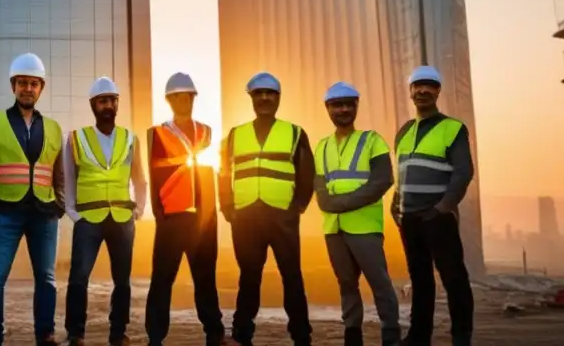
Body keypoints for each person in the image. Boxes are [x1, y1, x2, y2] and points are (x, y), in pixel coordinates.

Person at [0, 52, 64, 346]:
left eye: (33, 83)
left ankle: (45, 334)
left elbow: (58, 172)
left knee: (47, 279)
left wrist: (59, 204)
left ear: (41, 88)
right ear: (13, 86)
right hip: (6, 212)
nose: (28, 88)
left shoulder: (53, 128)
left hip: (44, 212)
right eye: (22, 83)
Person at [219, 71, 314, 346]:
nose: (264, 98)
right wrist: (228, 206)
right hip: (246, 217)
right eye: (258, 94)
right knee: (249, 276)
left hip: (282, 215)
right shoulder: (236, 135)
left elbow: (306, 173)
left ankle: (301, 335)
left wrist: (297, 206)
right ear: (251, 98)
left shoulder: (295, 132)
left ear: (278, 98)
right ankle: (241, 334)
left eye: (270, 93)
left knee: (292, 276)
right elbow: (224, 172)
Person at [392, 65, 475, 346]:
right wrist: (396, 206)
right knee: (420, 280)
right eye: (417, 86)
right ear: (411, 91)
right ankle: (418, 337)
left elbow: (463, 172)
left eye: (429, 86)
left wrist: (443, 208)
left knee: (453, 279)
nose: (422, 90)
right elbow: (401, 172)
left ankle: (461, 337)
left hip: (438, 218)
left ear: (438, 91)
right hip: (409, 219)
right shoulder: (403, 131)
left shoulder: (452, 128)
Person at [63, 77, 148, 346]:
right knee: (79, 278)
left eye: (112, 100)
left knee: (122, 281)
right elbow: (67, 180)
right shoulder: (77, 139)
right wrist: (74, 213)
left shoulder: (130, 138)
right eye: (103, 101)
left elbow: (139, 179)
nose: (108, 106)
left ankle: (118, 333)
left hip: (123, 219)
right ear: (93, 105)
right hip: (88, 219)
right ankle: (76, 333)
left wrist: (139, 210)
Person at [313, 82, 400, 346]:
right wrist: (329, 204)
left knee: (380, 285)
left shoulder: (372, 140)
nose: (344, 109)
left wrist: (342, 203)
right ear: (328, 109)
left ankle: (391, 336)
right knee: (346, 285)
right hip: (334, 229)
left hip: (365, 229)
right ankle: (352, 337)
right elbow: (319, 187)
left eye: (349, 104)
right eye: (337, 105)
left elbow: (383, 180)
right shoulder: (322, 147)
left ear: (356, 107)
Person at [144, 72, 226, 346]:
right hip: (172, 218)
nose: (184, 100)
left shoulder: (206, 132)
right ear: (169, 100)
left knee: (205, 279)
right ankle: (155, 337)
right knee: (162, 279)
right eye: (178, 96)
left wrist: (210, 216)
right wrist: (161, 216)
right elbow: (155, 177)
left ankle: (214, 335)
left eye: (188, 95)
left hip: (203, 219)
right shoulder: (158, 134)